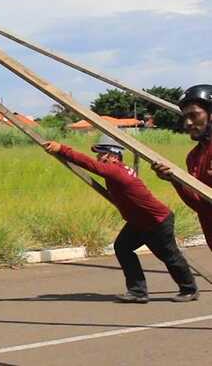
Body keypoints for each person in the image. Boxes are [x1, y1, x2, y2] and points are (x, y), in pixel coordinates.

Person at [45, 135, 198, 303]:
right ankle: (138, 292)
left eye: (102, 154)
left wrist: (62, 149)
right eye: (99, 154)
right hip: (139, 222)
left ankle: (189, 289)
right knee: (123, 248)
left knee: (169, 256)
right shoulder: (118, 170)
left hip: (156, 221)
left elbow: (89, 164)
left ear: (114, 156)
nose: (99, 158)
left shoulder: (116, 170)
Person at [153, 85, 212, 249]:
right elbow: (201, 205)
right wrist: (175, 180)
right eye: (185, 117)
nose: (188, 123)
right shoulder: (193, 157)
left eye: (194, 115)